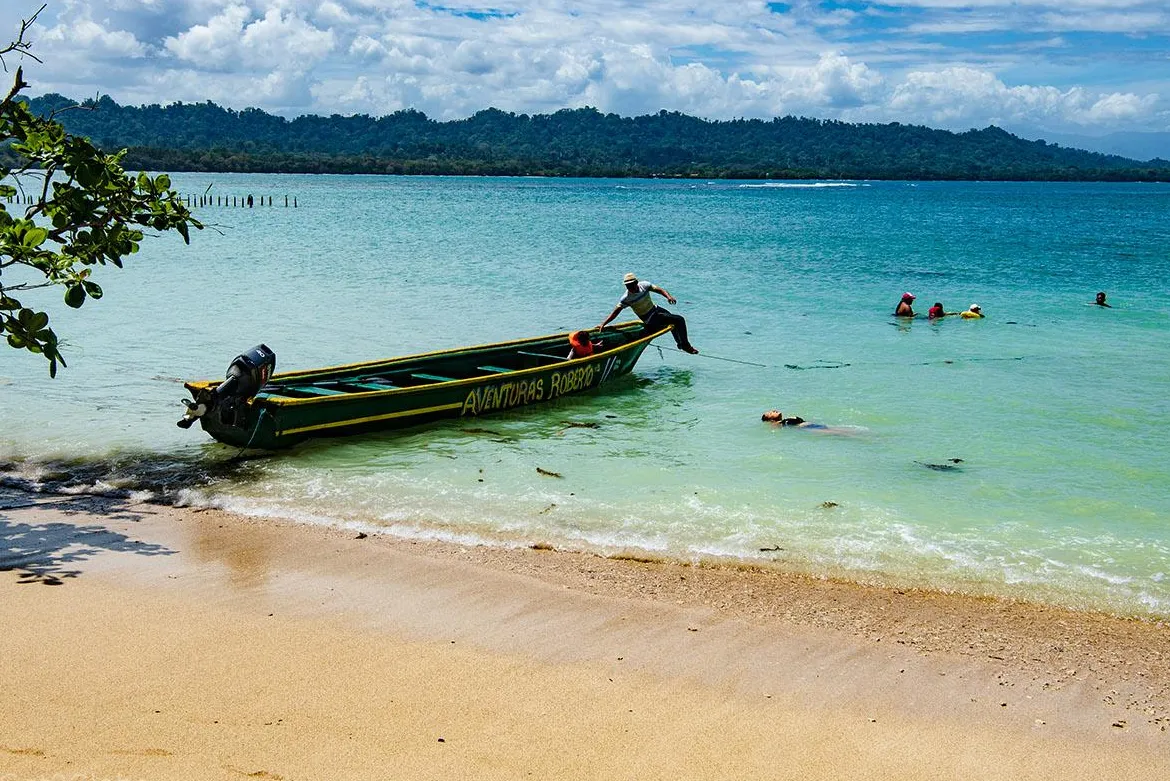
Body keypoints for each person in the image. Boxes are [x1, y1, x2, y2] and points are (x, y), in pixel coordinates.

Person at [599, 272, 698, 354]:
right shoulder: (626, 298)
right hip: (648, 318)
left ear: (636, 282)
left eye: (631, 285)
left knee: (673, 320)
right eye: (627, 286)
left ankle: (680, 344)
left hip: (656, 310)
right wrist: (604, 324)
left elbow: (659, 290)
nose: (630, 288)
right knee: (679, 319)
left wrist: (668, 297)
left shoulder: (644, 285)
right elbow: (615, 312)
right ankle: (686, 346)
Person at [761, 410, 856, 435]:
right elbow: (774, 430)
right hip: (809, 428)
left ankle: (865, 434)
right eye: (770, 412)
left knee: (845, 430)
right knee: (840, 434)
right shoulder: (777, 424)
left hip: (813, 425)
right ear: (770, 419)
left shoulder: (784, 420)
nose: (773, 410)